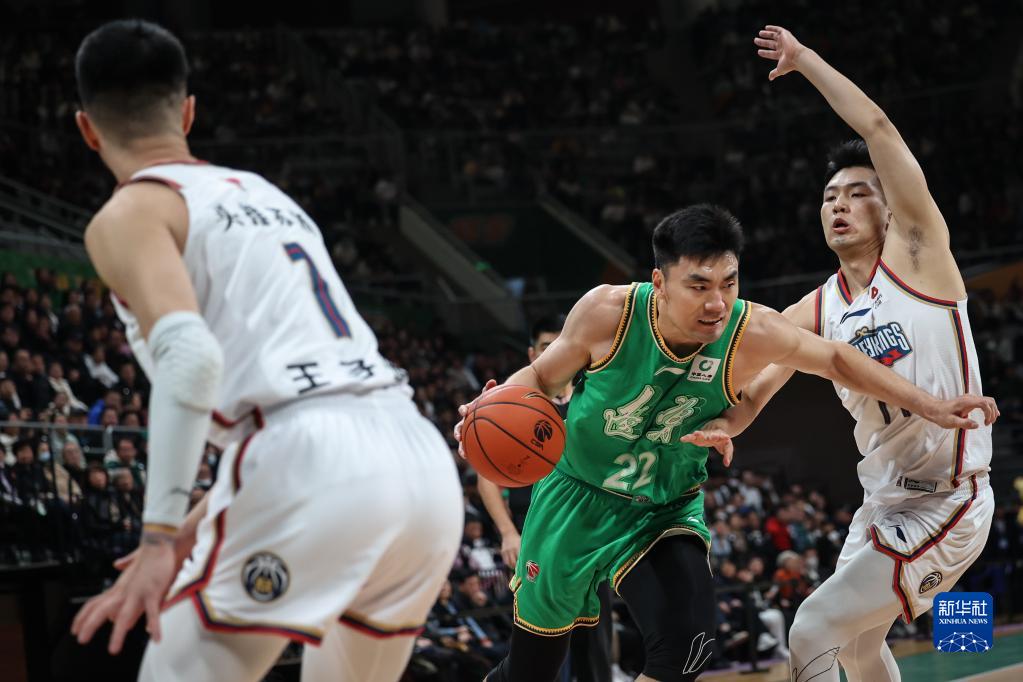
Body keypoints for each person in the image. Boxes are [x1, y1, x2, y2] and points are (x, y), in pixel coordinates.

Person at [68, 19, 462, 682]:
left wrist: (158, 537)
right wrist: (192, 529)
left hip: (310, 463)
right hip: (419, 462)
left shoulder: (131, 212)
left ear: (86, 128)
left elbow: (193, 360)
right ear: (188, 113)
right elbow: (306, 399)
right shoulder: (267, 195)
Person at [454, 204, 996, 682]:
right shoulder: (608, 313)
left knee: (688, 646)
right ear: (660, 282)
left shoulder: (750, 331)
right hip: (575, 497)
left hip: (661, 509)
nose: (717, 302)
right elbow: (540, 378)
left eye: (729, 283)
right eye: (698, 286)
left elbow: (834, 357)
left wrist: (929, 404)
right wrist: (486, 409)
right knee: (532, 671)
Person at [697, 26, 999, 682]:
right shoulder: (817, 308)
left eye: (857, 193)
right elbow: (752, 389)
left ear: (891, 210)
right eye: (829, 197)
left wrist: (804, 60)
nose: (839, 204)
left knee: (812, 626)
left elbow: (878, 128)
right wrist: (723, 421)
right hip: (880, 501)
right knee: (860, 648)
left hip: (946, 499)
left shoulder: (918, 255)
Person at [477, 313, 615, 682]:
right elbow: (487, 480)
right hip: (535, 533)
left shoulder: (592, 399)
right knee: (537, 649)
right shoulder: (516, 403)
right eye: (545, 346)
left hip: (589, 532)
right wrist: (508, 533)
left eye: (559, 344)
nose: (554, 352)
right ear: (532, 353)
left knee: (595, 644)